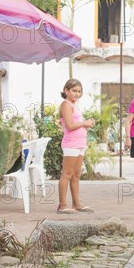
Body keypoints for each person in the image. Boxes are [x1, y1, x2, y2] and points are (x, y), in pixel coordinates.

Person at [58, 79, 95, 214]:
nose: (77, 94)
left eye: (79, 91)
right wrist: (84, 123)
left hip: (80, 144)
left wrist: (87, 123)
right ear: (66, 91)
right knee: (67, 174)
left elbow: (77, 123)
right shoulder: (66, 105)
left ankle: (76, 203)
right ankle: (62, 205)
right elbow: (69, 126)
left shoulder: (75, 105)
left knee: (76, 175)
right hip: (71, 144)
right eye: (74, 91)